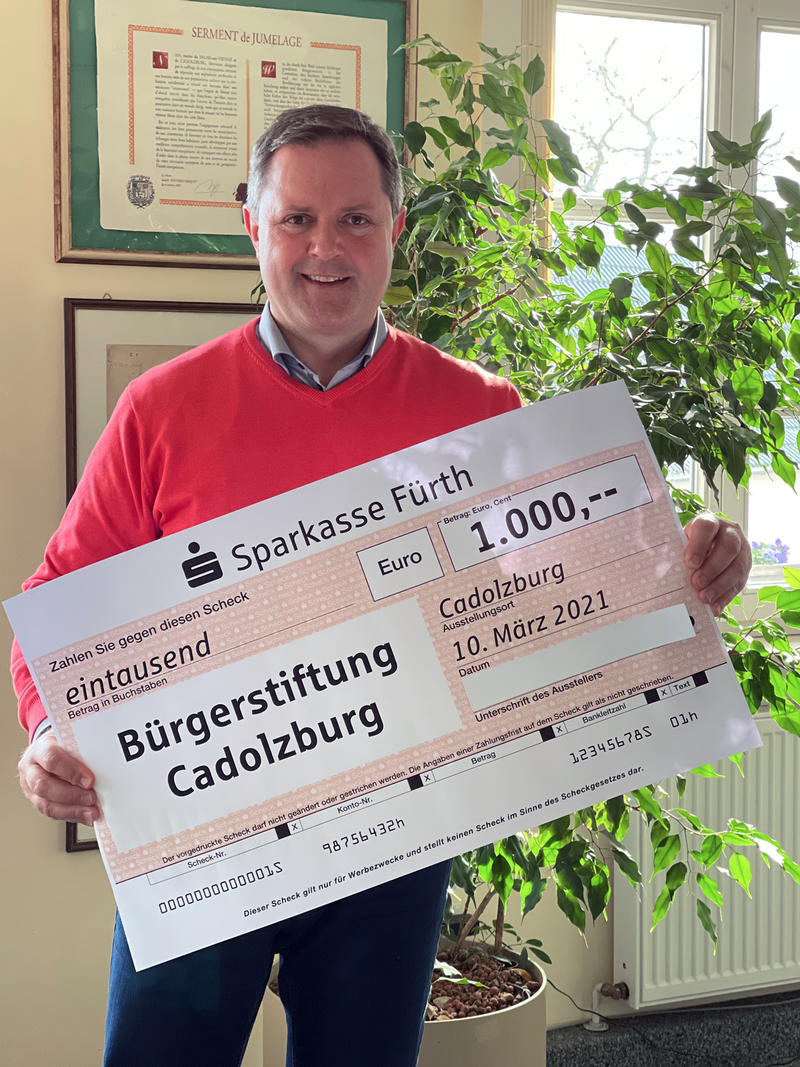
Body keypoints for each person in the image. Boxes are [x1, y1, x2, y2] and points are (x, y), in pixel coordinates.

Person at [12, 105, 752, 1067]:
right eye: (297, 219)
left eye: (356, 219)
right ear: (253, 226)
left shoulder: (479, 410)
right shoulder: (160, 407)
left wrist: (683, 567)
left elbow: (558, 595)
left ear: (395, 227)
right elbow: (63, 595)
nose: (326, 248)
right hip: (202, 845)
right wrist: (48, 732)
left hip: (393, 846)